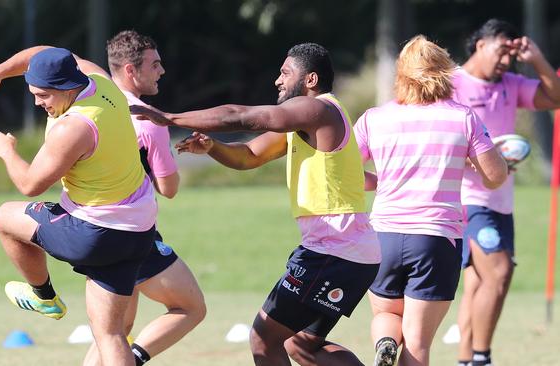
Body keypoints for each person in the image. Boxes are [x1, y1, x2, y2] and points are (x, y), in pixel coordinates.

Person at [133, 42, 381, 366]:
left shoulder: (320, 110)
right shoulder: (304, 125)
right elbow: (249, 156)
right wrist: (212, 147)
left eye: (285, 73)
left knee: (264, 338)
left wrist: (169, 117)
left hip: (333, 251)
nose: (278, 80)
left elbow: (246, 116)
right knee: (301, 345)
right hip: (346, 250)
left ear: (310, 80)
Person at [0, 46, 158, 366]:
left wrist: (6, 151)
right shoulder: (101, 80)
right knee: (110, 335)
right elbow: (46, 52)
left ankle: (44, 297)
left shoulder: (75, 126)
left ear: (67, 88)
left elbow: (30, 185)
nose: (38, 103)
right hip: (138, 231)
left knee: (3, 217)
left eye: (43, 95)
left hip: (94, 233)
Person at [354, 35, 508, 366]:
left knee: (385, 315)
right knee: (418, 344)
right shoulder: (462, 117)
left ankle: (384, 341)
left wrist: (379, 181)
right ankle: (394, 346)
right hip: (436, 239)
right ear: (444, 74)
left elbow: (343, 173)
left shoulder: (374, 118)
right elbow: (495, 176)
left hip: (383, 237)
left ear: (401, 75)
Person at [83, 30, 206, 366]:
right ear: (130, 71)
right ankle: (133, 360)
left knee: (115, 329)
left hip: (89, 226)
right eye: (155, 64)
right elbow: (169, 188)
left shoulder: (90, 103)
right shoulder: (149, 120)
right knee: (191, 307)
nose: (162, 71)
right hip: (130, 231)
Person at [453, 19, 560, 366]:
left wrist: (538, 59)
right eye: (501, 51)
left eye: (511, 56)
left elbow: (555, 97)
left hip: (501, 200)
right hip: (466, 199)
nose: (505, 62)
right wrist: (472, 163)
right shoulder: (451, 84)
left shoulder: (510, 84)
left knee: (479, 285)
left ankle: (466, 359)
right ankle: (482, 358)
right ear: (481, 45)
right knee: (499, 273)